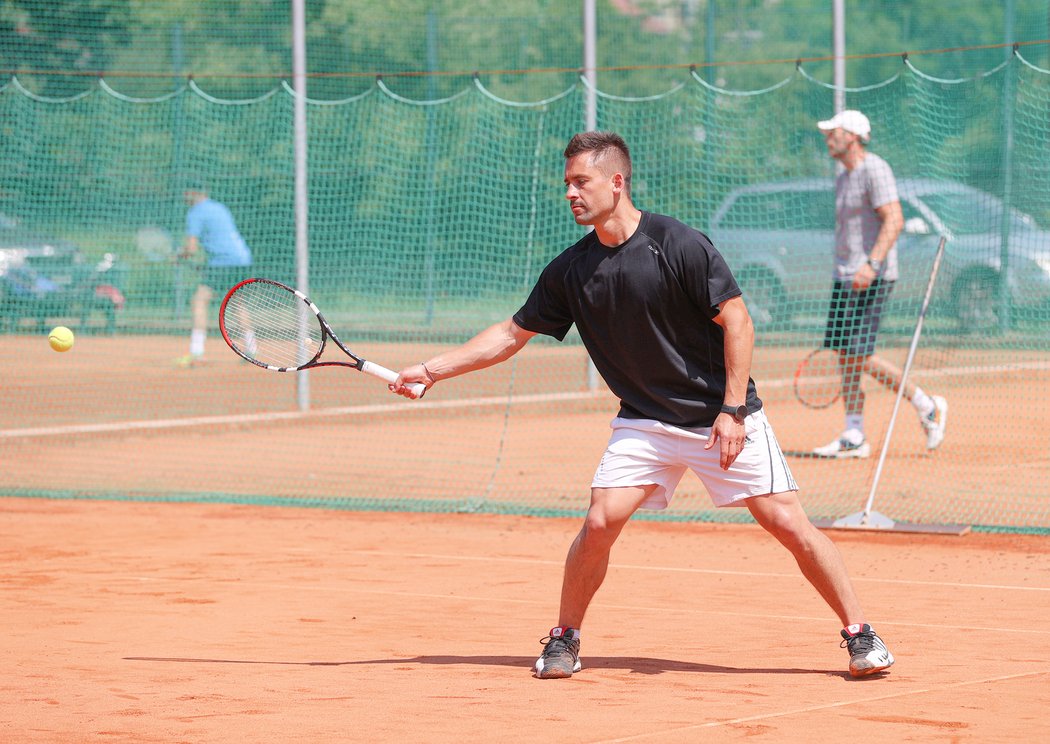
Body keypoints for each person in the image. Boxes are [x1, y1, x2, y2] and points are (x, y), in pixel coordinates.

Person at [391, 132, 895, 680]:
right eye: (566, 184)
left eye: (580, 182)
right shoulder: (571, 269)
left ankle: (861, 635)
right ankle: (564, 637)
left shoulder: (678, 243)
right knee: (600, 520)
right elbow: (511, 335)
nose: (570, 194)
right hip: (645, 422)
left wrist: (732, 410)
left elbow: (738, 323)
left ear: (616, 182)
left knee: (788, 523)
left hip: (717, 415)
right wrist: (433, 370)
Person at [812, 110, 948, 458]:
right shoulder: (844, 176)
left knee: (859, 355)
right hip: (845, 277)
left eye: (834, 132)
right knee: (846, 355)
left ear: (853, 136)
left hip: (871, 277)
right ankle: (854, 434)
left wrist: (871, 265)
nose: (828, 137)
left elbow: (895, 219)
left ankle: (926, 404)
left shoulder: (876, 169)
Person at [176, 181, 254, 367]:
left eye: (186, 192)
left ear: (192, 192)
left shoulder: (195, 212)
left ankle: (197, 352)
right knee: (237, 303)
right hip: (242, 259)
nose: (184, 196)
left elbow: (191, 248)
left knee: (199, 300)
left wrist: (180, 255)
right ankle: (252, 349)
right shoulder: (219, 207)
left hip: (223, 262)